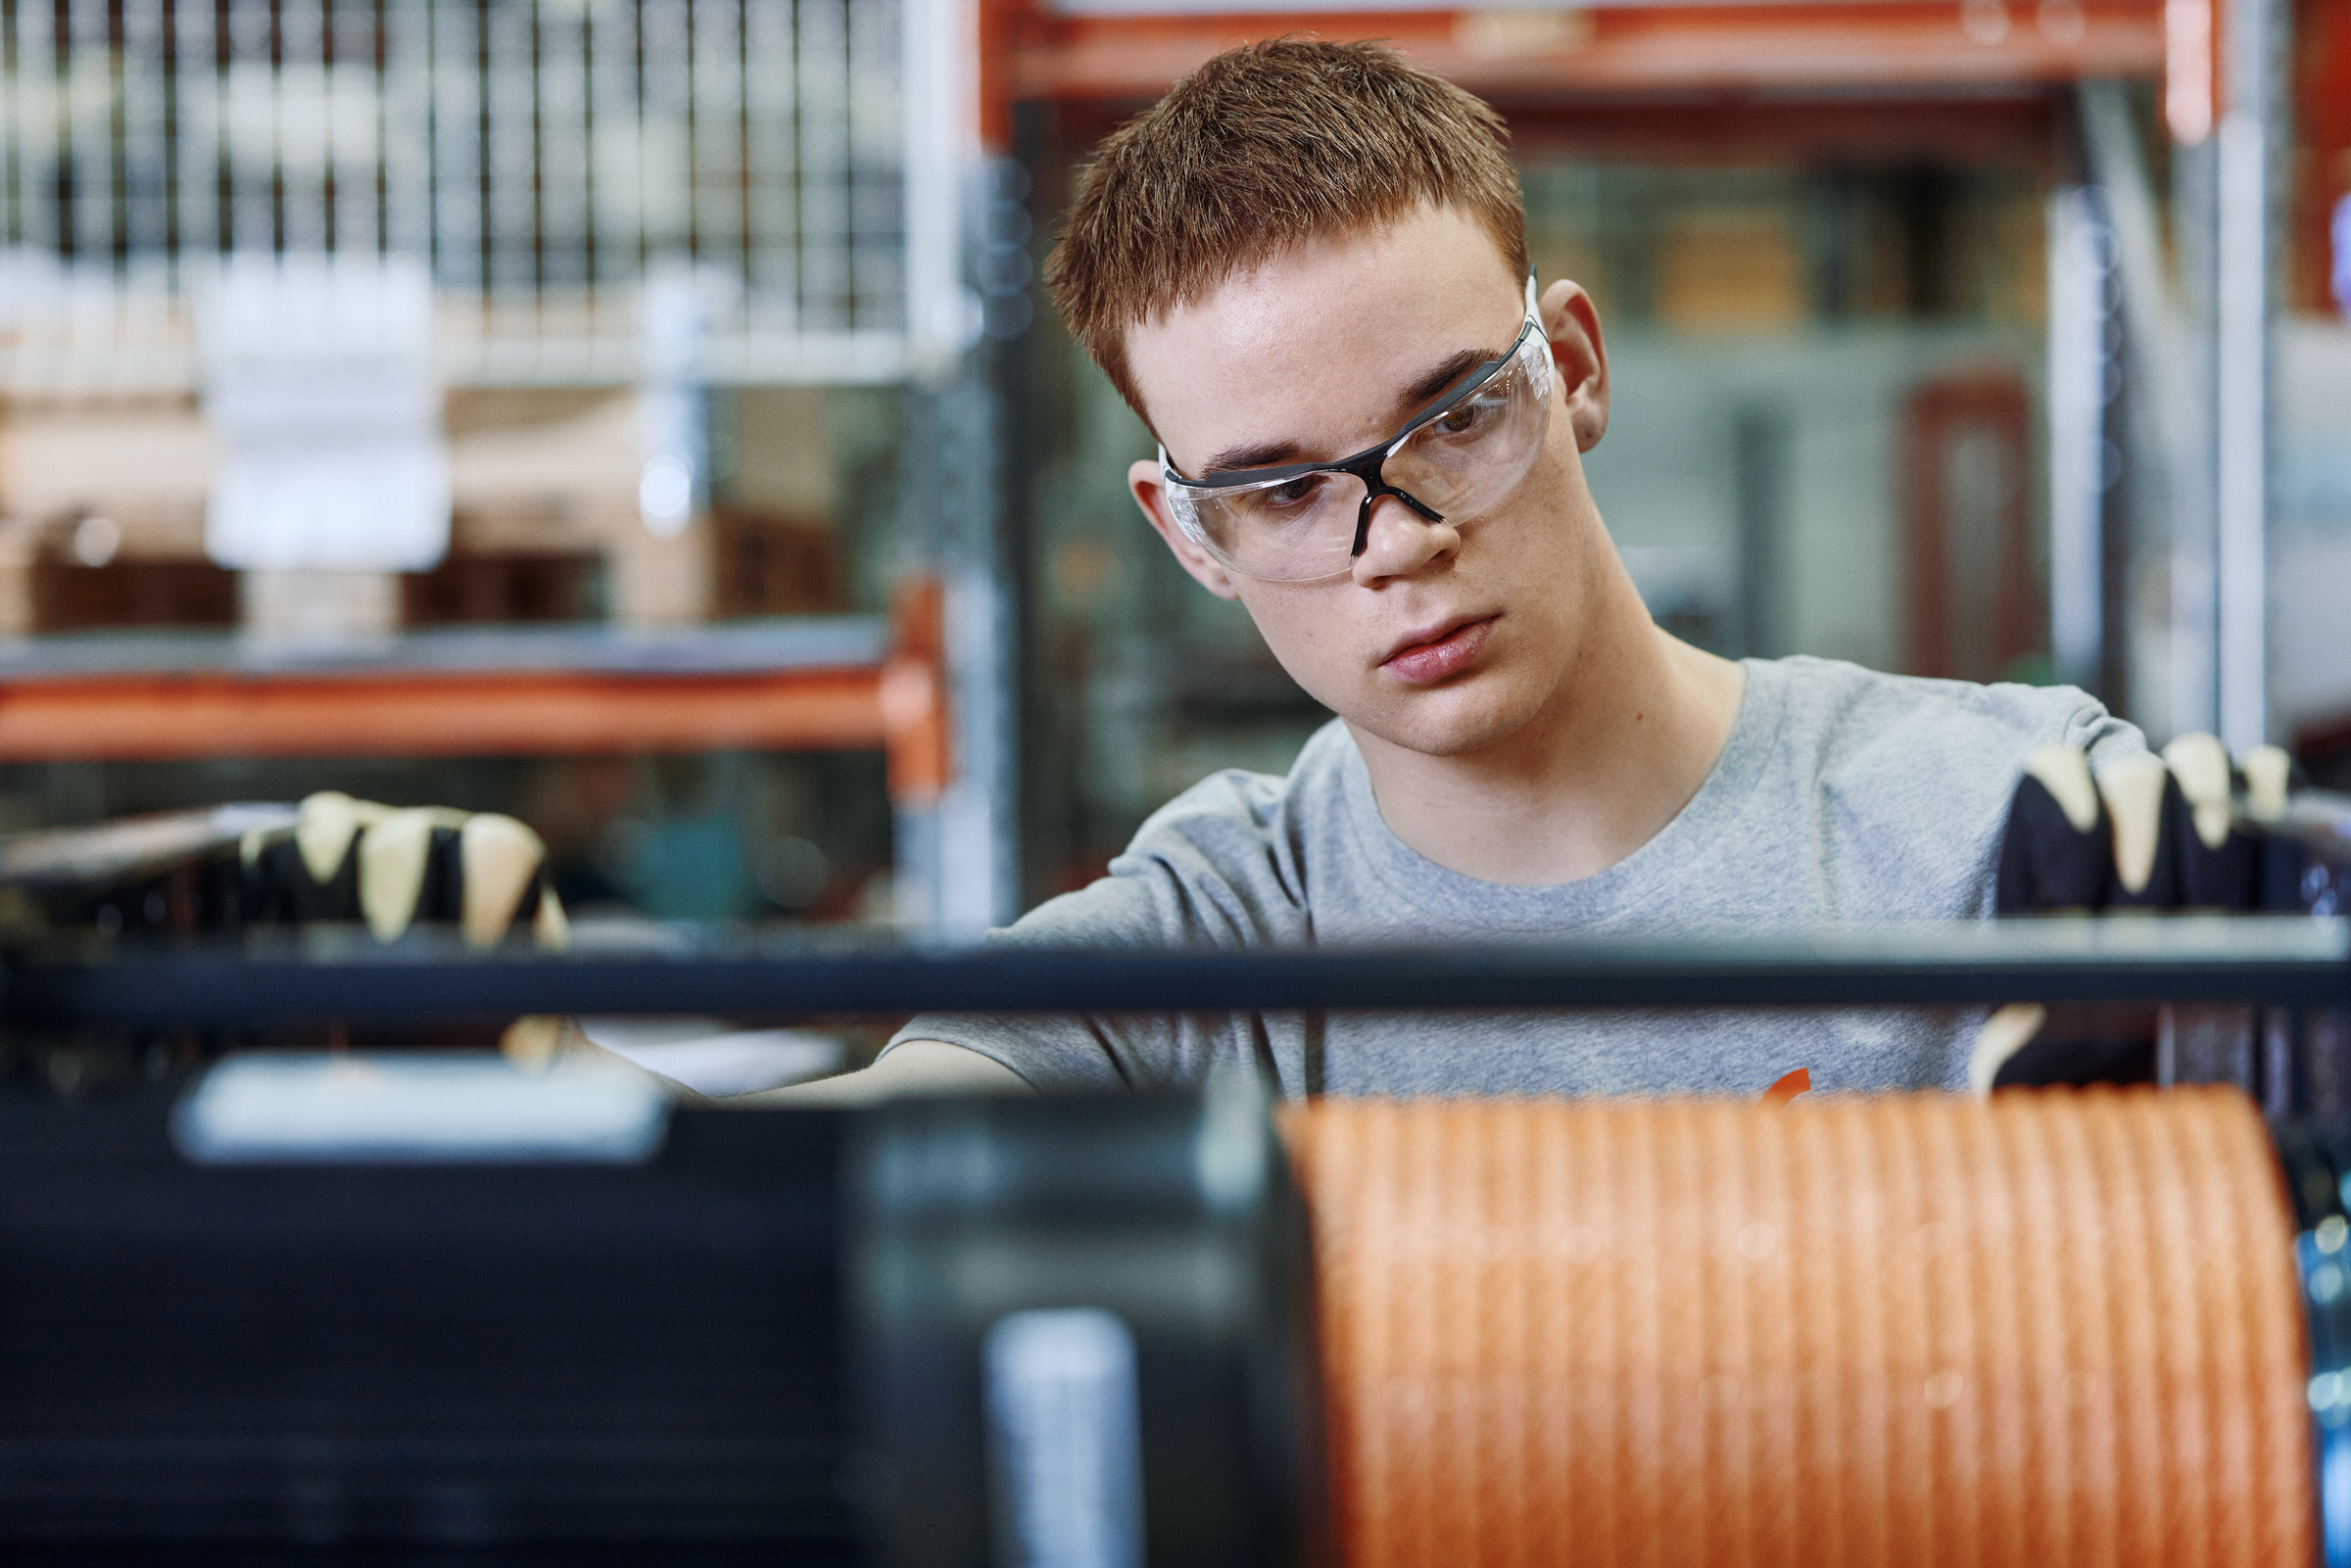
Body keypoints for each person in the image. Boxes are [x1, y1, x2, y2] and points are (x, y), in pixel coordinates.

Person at [768, 37, 2148, 1105]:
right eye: (1284, 490)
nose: (1400, 538)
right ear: (1193, 535)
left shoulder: (1997, 828)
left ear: (1577, 369)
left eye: (1455, 418)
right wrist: (551, 1046)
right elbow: (807, 1185)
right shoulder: (1208, 952)